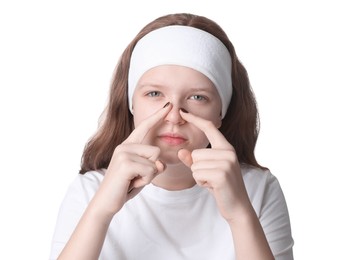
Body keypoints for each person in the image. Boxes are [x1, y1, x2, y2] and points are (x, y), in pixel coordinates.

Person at [49, 13, 294, 260]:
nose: (174, 116)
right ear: (131, 104)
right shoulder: (88, 192)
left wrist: (240, 215)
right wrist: (100, 211)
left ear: (221, 112)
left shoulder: (259, 190)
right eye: (155, 93)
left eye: (197, 97)